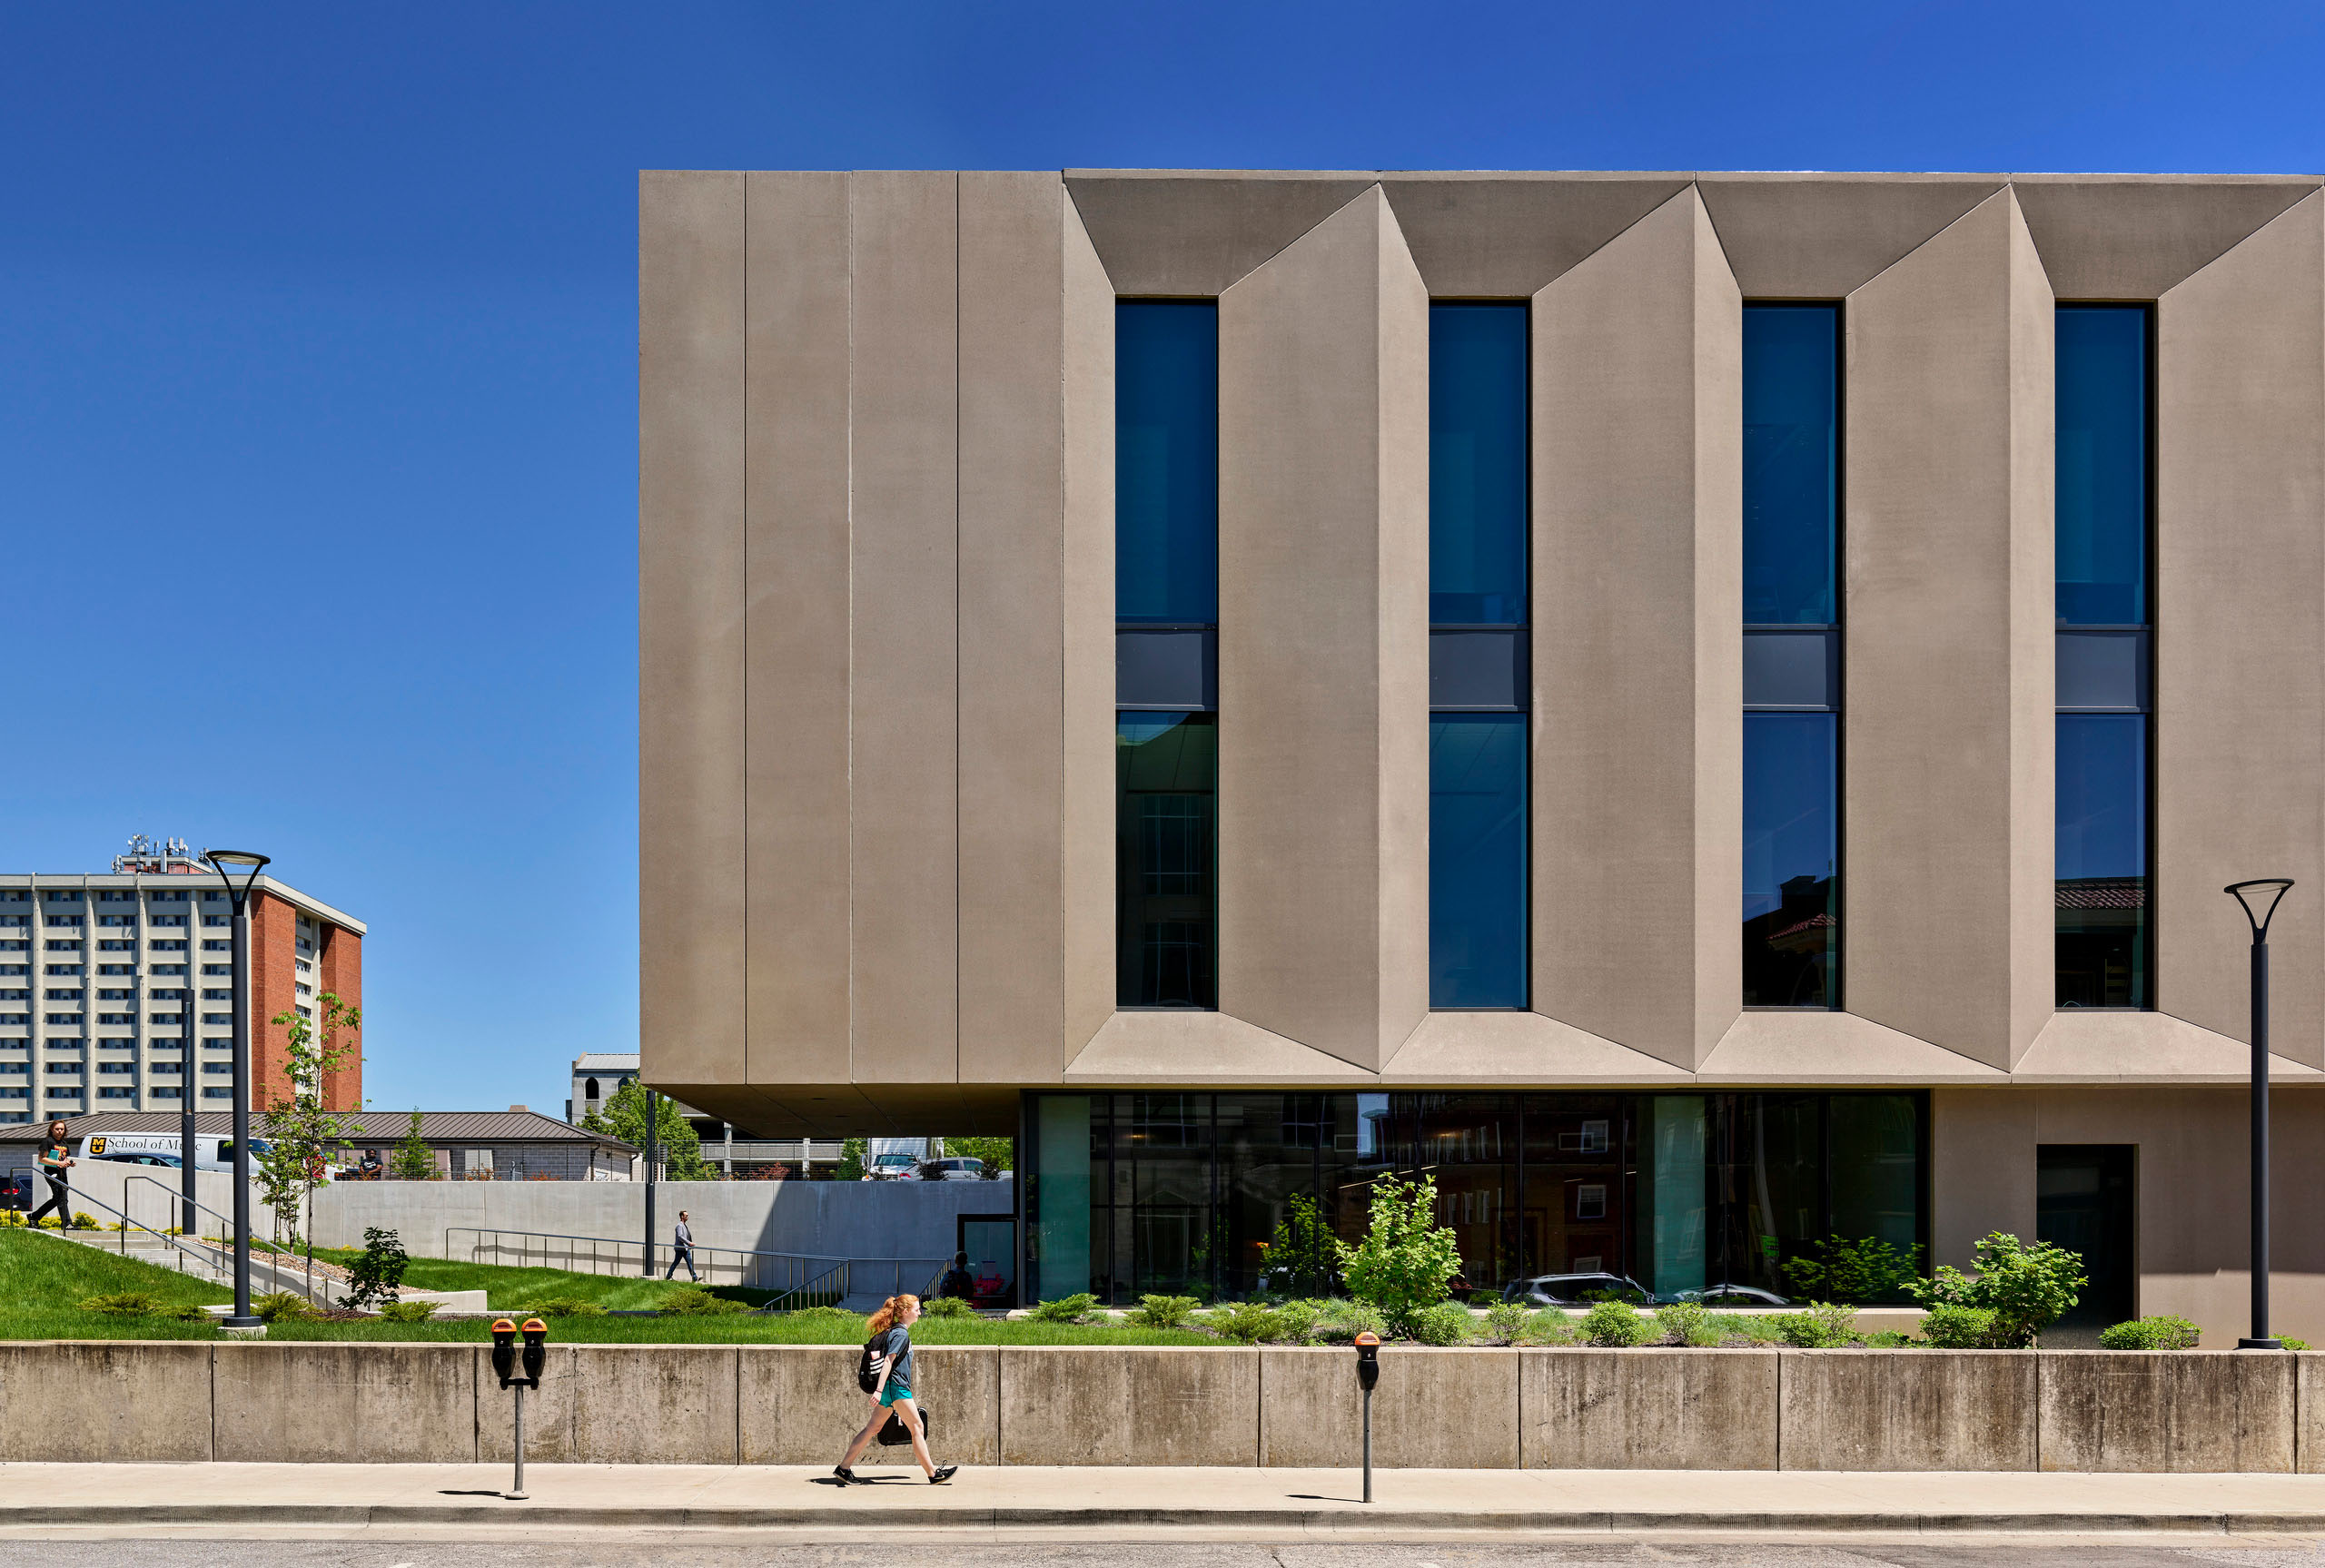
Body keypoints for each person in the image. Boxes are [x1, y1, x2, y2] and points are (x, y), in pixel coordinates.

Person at [834, 1294, 955, 1486]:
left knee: (872, 1428)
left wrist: (882, 1391)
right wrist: (879, 1390)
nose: (919, 1313)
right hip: (897, 1388)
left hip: (891, 1388)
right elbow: (889, 1361)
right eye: (917, 1310)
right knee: (917, 1427)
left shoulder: (896, 1332)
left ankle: (844, 1468)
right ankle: (933, 1474)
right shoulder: (900, 1334)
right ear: (905, 1312)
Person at [26, 1119, 74, 1229]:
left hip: (62, 1174)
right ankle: (67, 1224)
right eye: (57, 1129)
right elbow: (42, 1159)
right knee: (61, 1199)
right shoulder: (48, 1141)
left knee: (58, 1199)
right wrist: (59, 1163)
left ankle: (34, 1216)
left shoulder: (64, 1143)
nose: (59, 1131)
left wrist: (69, 1163)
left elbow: (64, 1158)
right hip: (52, 1173)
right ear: (52, 1130)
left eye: (62, 1129)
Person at [665, 1209, 699, 1281]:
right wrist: (689, 1243)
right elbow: (680, 1236)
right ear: (682, 1217)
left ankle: (695, 1278)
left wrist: (689, 1244)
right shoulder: (679, 1226)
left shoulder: (684, 1225)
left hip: (686, 1249)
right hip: (680, 1249)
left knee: (690, 1263)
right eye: (686, 1216)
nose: (687, 1217)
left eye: (687, 1216)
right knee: (676, 1263)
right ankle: (668, 1277)